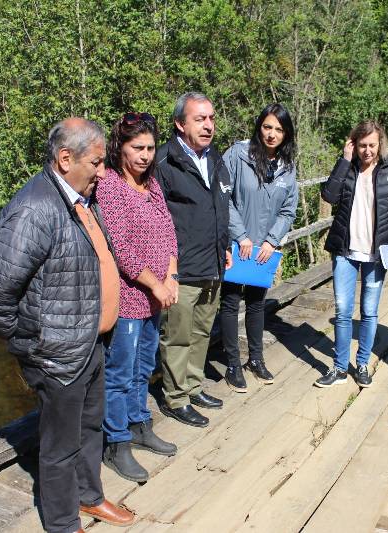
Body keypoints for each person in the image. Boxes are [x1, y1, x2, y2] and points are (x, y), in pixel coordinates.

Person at [0, 118, 134, 532]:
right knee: (60, 447)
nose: (103, 172)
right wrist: (32, 346)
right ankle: (63, 524)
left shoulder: (80, 198)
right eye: (97, 163)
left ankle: (89, 497)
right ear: (66, 159)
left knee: (90, 427)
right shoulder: (35, 209)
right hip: (59, 353)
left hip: (91, 343)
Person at [96, 113, 179, 482]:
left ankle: (140, 424)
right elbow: (123, 248)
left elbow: (169, 232)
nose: (146, 155)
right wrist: (155, 284)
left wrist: (172, 276)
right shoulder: (111, 187)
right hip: (131, 298)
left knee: (144, 368)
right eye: (137, 148)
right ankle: (117, 443)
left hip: (156, 297)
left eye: (150, 148)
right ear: (121, 148)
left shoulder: (153, 184)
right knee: (119, 373)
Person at [155, 92, 233, 428]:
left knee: (201, 332)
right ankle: (175, 398)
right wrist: (166, 270)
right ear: (179, 124)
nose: (208, 125)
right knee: (177, 335)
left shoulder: (215, 157)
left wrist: (225, 244)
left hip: (213, 264)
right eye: (200, 119)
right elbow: (156, 220)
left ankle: (193, 385)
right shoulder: (164, 162)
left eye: (211, 118)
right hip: (181, 269)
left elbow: (221, 206)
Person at [316, 120, 388, 388]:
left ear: (380, 144)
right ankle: (339, 368)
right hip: (345, 250)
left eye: (372, 145)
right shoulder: (347, 168)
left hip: (377, 253)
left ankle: (363, 364)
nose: (367, 151)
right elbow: (329, 196)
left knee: (369, 311)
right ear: (353, 145)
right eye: (362, 145)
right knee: (343, 310)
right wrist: (344, 161)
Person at [219, 103, 299, 392]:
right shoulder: (237, 155)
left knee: (256, 304)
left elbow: (289, 210)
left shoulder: (287, 168)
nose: (272, 134)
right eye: (267, 127)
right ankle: (231, 365)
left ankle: (255, 359)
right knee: (229, 303)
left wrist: (271, 241)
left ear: (286, 134)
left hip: (263, 250)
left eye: (279, 129)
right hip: (235, 244)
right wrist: (240, 236)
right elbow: (223, 197)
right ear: (258, 127)